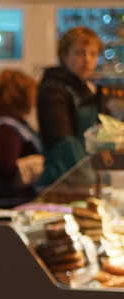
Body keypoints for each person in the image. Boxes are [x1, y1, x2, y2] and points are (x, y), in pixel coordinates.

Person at [37, 26, 104, 186]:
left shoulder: (87, 89)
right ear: (64, 55)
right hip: (63, 181)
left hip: (86, 174)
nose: (87, 59)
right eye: (80, 53)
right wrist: (90, 181)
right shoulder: (53, 89)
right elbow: (63, 139)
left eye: (92, 54)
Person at [0, 69, 44, 203]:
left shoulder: (14, 123)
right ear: (21, 95)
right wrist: (43, 164)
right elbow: (6, 169)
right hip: (15, 201)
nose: (34, 99)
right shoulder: (5, 128)